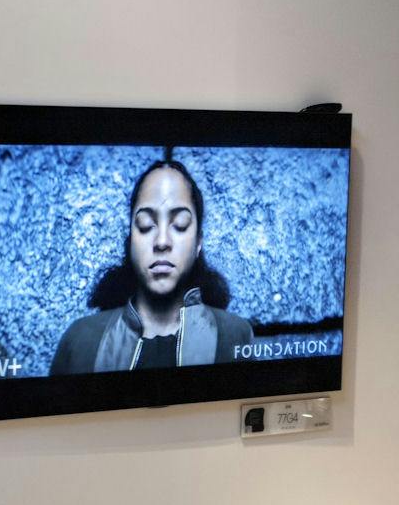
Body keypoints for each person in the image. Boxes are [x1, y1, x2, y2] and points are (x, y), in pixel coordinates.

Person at [50, 160, 252, 374]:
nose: (162, 241)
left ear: (198, 243)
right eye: (146, 225)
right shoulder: (80, 340)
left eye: (180, 225)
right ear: (130, 240)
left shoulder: (235, 335)